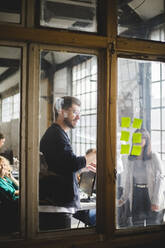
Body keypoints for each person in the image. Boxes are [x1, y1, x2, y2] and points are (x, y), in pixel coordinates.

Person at [39, 96, 96, 230]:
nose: (78, 117)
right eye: (74, 112)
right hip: (56, 207)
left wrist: (82, 168)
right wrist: (93, 155)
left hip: (57, 205)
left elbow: (62, 166)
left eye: (79, 113)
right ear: (61, 111)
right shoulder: (56, 135)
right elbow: (71, 164)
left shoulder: (58, 133)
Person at [118, 128, 165, 227]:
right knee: (136, 227)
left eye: (142, 137)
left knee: (153, 228)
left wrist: (155, 200)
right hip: (136, 194)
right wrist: (123, 197)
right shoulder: (131, 158)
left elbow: (161, 178)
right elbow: (128, 180)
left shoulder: (154, 156)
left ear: (147, 139)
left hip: (151, 194)